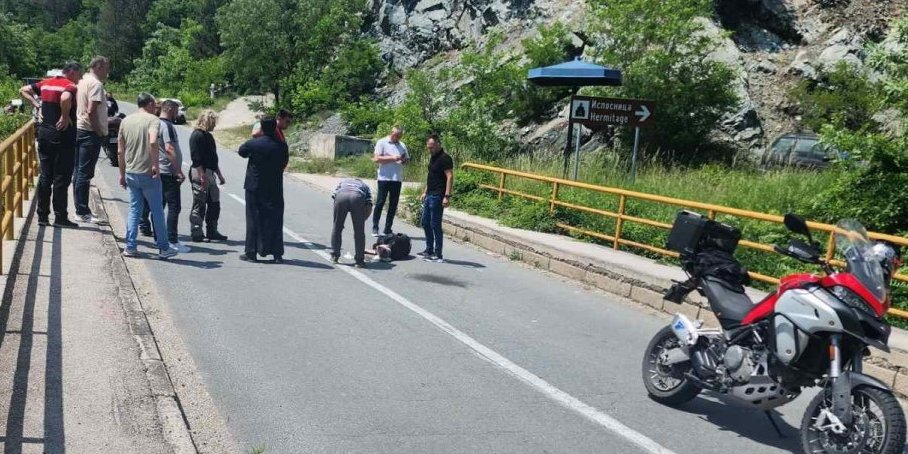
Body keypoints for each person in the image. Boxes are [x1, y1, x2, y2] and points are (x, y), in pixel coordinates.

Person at [19, 60, 82, 227]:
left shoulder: (46, 83)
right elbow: (66, 97)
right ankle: (60, 217)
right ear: (72, 72)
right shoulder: (70, 85)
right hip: (63, 136)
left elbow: (23, 90)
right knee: (61, 177)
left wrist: (37, 104)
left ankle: (42, 216)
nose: (79, 78)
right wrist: (64, 115)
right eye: (79, 74)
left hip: (45, 134)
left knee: (46, 175)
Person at [118, 93, 179, 260]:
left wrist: (121, 173)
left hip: (131, 171)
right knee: (157, 210)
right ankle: (163, 247)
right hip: (148, 173)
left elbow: (120, 150)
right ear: (150, 104)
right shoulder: (153, 120)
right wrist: (155, 165)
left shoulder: (126, 121)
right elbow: (153, 141)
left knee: (134, 209)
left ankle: (130, 246)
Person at [139, 99, 188, 252]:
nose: (177, 114)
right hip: (168, 171)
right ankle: (172, 239)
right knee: (174, 206)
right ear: (171, 109)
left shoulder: (154, 123)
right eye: (176, 110)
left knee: (158, 206)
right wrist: (178, 169)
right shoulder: (167, 126)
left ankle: (158, 237)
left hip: (157, 170)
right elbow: (169, 149)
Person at [238, 118, 288, 263]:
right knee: (275, 219)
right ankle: (277, 253)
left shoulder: (254, 144)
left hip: (255, 186)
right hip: (275, 186)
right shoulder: (281, 146)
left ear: (262, 128)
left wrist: (255, 135)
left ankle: (251, 252)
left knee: (253, 218)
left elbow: (242, 152)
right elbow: (285, 162)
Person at [73, 56, 110, 224]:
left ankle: (80, 209)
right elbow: (91, 111)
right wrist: (100, 132)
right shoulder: (96, 84)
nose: (108, 71)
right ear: (99, 66)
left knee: (78, 171)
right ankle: (82, 211)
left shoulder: (83, 81)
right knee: (85, 173)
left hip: (79, 129)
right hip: (90, 132)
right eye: (107, 67)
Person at [189, 109, 227, 242]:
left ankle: (212, 230)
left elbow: (213, 158)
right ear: (208, 121)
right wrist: (202, 176)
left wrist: (219, 175)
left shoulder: (209, 137)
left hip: (210, 172)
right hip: (200, 172)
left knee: (214, 203)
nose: (215, 125)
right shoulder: (197, 136)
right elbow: (196, 158)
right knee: (200, 203)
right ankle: (197, 231)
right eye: (213, 122)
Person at [418, 134, 454, 263]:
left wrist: (447, 196)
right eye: (428, 147)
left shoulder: (445, 158)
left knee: (435, 225)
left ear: (438, 144)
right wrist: (425, 192)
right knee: (425, 222)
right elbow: (431, 176)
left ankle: (438, 253)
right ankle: (429, 249)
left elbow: (449, 176)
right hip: (429, 194)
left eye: (432, 147)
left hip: (438, 195)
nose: (430, 150)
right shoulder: (433, 157)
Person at [371, 125, 409, 237]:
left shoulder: (402, 145)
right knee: (380, 202)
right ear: (391, 133)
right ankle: (375, 227)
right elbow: (377, 159)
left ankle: (387, 228)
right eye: (396, 135)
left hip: (397, 179)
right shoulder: (382, 142)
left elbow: (406, 159)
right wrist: (393, 158)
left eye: (400, 136)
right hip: (384, 178)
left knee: (393, 204)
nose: (398, 138)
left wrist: (403, 160)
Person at [330, 178, 373, 267]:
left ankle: (335, 256)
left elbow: (335, 197)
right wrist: (362, 220)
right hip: (357, 197)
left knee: (337, 228)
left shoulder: (343, 182)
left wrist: (338, 219)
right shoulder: (365, 186)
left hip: (341, 196)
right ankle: (359, 261)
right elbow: (369, 205)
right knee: (359, 232)